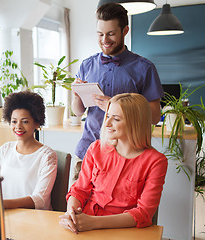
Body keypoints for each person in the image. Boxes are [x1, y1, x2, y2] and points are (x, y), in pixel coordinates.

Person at [70, 2, 164, 185]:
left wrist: (116, 106)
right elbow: (78, 112)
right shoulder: (86, 65)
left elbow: (154, 116)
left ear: (125, 31)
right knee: (76, 210)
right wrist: (76, 96)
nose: (104, 39)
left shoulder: (145, 68)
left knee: (116, 212)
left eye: (111, 34)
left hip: (127, 158)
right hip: (87, 153)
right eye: (100, 34)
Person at [59, 93, 168, 233]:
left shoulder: (156, 162)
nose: (107, 123)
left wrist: (93, 223)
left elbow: (144, 213)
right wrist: (72, 215)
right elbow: (79, 190)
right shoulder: (95, 148)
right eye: (108, 116)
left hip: (124, 231)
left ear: (135, 122)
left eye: (116, 119)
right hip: (84, 226)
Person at [0, 91, 58, 213]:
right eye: (14, 121)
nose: (18, 126)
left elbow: (39, 200)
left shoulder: (47, 156)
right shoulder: (5, 149)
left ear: (37, 123)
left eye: (25, 121)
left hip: (36, 219)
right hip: (7, 217)